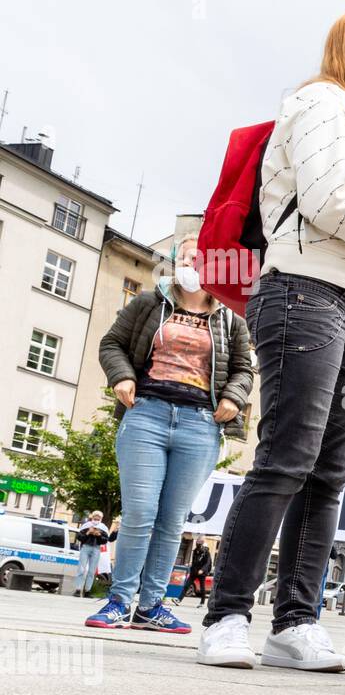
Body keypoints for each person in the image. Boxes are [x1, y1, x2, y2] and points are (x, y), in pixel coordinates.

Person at [197, 9, 345, 671]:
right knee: (286, 461)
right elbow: (325, 204)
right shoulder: (326, 102)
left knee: (328, 474)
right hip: (304, 293)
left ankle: (295, 620)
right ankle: (227, 614)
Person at [85, 235, 254, 634]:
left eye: (203, 257)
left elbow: (245, 369)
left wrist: (233, 396)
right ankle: (119, 600)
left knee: (171, 520)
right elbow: (112, 343)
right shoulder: (149, 303)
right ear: (176, 261)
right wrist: (122, 377)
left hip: (200, 424)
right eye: (189, 256)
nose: (195, 263)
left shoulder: (231, 318)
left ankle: (152, 606)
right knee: (140, 513)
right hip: (147, 415)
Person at [73, 511, 116, 598]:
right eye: (95, 518)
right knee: (81, 569)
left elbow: (105, 540)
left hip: (96, 549)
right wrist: (88, 532)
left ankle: (87, 590)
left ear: (101, 519)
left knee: (92, 571)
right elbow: (79, 537)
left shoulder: (103, 527)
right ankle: (78, 589)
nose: (96, 520)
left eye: (98, 519)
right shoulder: (86, 525)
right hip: (85, 547)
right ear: (92, 518)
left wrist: (98, 535)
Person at [181, 536, 213, 607]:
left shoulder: (206, 552)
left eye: (199, 542)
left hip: (202, 573)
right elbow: (195, 561)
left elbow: (207, 563)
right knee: (187, 585)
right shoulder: (195, 551)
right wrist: (191, 565)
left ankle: (202, 602)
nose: (197, 543)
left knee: (202, 587)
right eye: (197, 542)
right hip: (194, 571)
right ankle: (179, 600)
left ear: (202, 543)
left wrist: (202, 570)